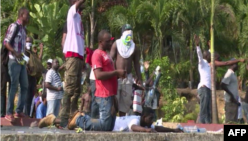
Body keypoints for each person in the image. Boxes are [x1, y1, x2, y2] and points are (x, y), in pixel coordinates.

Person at [39, 30, 126, 131]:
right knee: (105, 125)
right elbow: (98, 74)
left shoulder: (107, 55)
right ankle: (79, 119)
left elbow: (110, 74)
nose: (110, 43)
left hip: (110, 94)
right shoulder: (97, 54)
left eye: (111, 41)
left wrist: (118, 78)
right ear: (100, 42)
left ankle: (73, 119)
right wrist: (116, 72)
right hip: (104, 94)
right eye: (107, 41)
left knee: (109, 127)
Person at [38, 107, 182, 133]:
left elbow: (157, 128)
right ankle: (53, 119)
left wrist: (174, 130)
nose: (152, 121)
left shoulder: (144, 122)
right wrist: (146, 130)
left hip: (108, 123)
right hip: (107, 125)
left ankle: (55, 120)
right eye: (151, 118)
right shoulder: (136, 120)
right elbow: (133, 128)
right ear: (144, 117)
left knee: (74, 125)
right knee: (83, 124)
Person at [59, 0, 86, 128]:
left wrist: (83, 59)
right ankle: (63, 118)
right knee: (69, 88)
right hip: (72, 55)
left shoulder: (79, 17)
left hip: (79, 57)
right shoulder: (72, 12)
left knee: (77, 90)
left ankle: (72, 116)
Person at [4, 7, 30, 122]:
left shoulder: (24, 30)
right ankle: (9, 112)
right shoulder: (14, 26)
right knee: (14, 85)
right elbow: (6, 42)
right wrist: (15, 52)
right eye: (27, 15)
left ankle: (19, 111)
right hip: (13, 60)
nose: (28, 17)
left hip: (21, 62)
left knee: (25, 85)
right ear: (22, 15)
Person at [110, 24, 142, 116]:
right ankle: (112, 124)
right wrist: (111, 74)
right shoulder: (117, 44)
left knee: (125, 103)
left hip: (128, 78)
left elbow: (136, 63)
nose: (129, 33)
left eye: (130, 31)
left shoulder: (134, 47)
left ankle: (122, 122)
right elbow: (111, 60)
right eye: (127, 31)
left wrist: (139, 77)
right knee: (114, 101)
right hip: (116, 78)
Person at [194, 35, 211, 124]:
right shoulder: (202, 63)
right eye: (208, 54)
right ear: (206, 56)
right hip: (203, 89)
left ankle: (209, 127)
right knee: (203, 111)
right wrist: (197, 46)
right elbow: (199, 56)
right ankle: (202, 128)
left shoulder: (208, 65)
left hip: (207, 89)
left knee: (208, 111)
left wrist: (210, 45)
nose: (210, 55)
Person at [221, 58, 240, 123]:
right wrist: (231, 95)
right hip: (230, 101)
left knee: (234, 121)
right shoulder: (229, 73)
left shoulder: (233, 74)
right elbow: (223, 85)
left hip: (234, 101)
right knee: (230, 121)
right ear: (232, 64)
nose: (237, 66)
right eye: (236, 64)